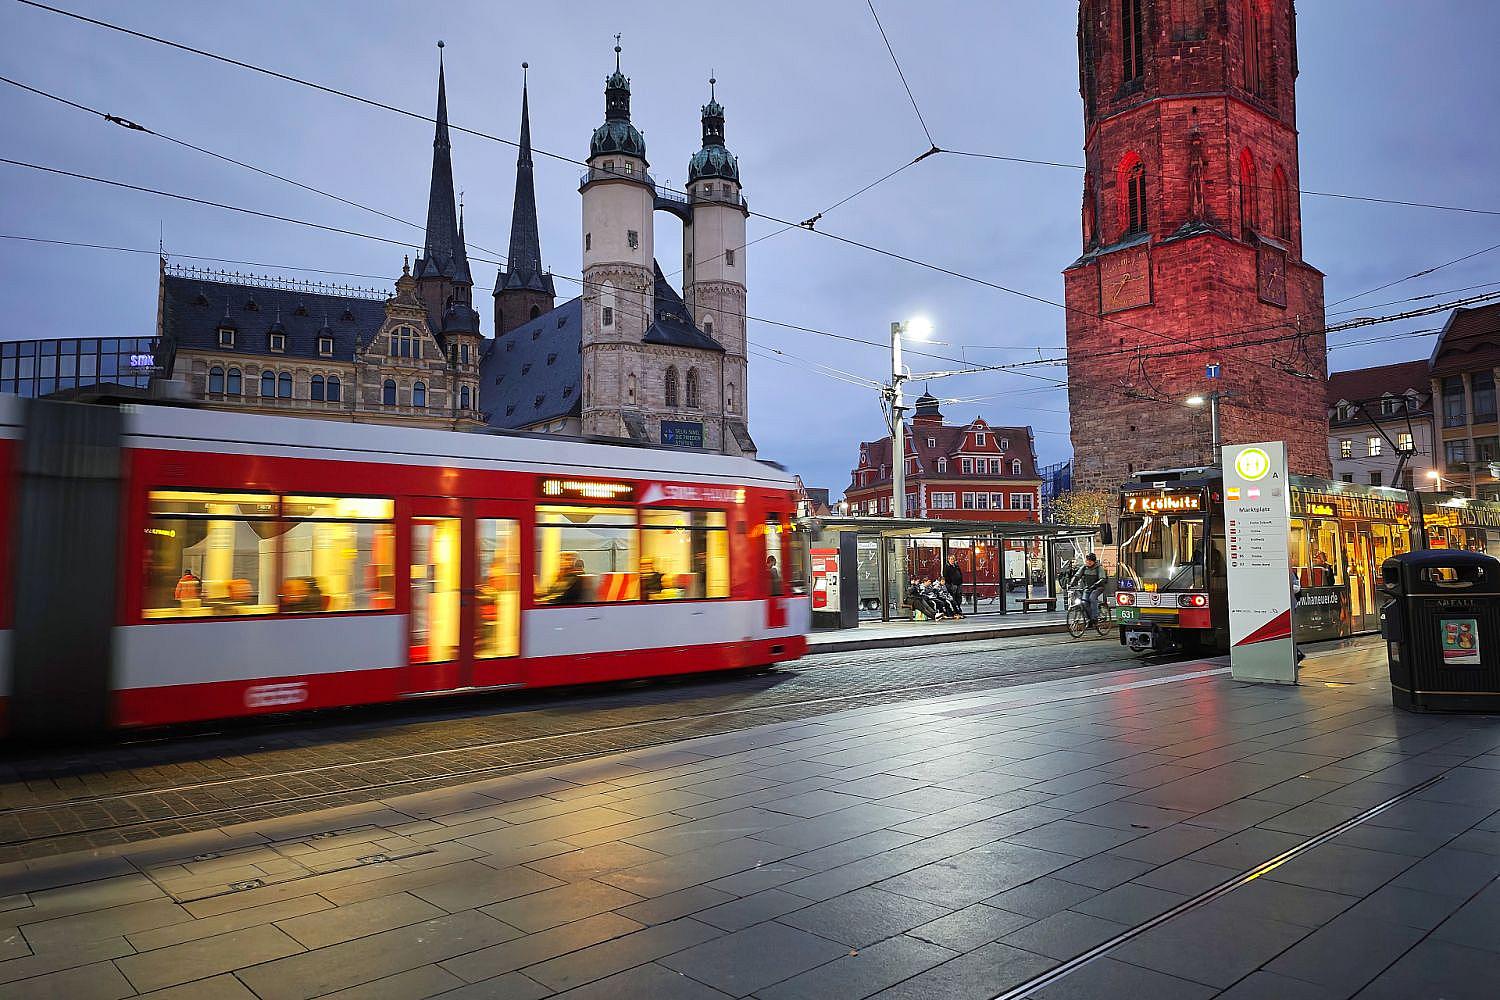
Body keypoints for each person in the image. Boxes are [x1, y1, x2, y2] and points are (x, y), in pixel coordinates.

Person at [1075, 553, 1108, 627]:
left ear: (1094, 561)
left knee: (1092, 598)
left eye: (1090, 561)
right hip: (1088, 588)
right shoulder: (1084, 568)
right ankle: (1089, 619)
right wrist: (1071, 583)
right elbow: (1077, 576)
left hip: (1098, 588)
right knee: (1084, 602)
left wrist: (1095, 585)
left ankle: (1095, 618)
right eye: (1087, 560)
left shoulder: (1099, 568)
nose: (1088, 562)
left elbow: (1102, 578)